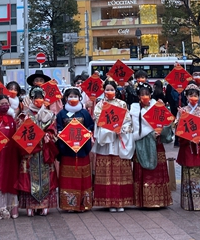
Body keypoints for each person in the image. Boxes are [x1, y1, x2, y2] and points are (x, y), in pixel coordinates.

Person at [92, 79, 135, 212]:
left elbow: (128, 120)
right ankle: (108, 201)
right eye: (107, 89)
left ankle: (121, 201)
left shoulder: (122, 104)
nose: (109, 92)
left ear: (115, 91)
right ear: (104, 90)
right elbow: (99, 120)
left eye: (112, 89)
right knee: (106, 171)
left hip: (118, 138)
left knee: (121, 170)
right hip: (106, 140)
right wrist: (110, 129)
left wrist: (121, 129)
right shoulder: (100, 105)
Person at [16, 87, 59, 216]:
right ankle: (30, 205)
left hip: (44, 150)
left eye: (41, 98)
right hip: (30, 152)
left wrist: (49, 136)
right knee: (29, 177)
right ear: (31, 99)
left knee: (45, 176)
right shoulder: (24, 115)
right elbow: (19, 132)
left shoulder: (49, 114)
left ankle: (44, 204)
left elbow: (53, 130)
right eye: (36, 98)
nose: (38, 101)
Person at [130, 82, 173, 209]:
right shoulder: (134, 109)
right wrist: (149, 131)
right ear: (138, 96)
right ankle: (143, 200)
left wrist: (161, 131)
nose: (145, 97)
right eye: (142, 94)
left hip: (157, 142)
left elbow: (167, 122)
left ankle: (160, 200)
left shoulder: (157, 106)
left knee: (157, 170)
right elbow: (135, 128)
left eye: (147, 94)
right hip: (142, 142)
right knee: (143, 171)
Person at [175, 83, 200, 211]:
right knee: (189, 173)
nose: (193, 97)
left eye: (195, 95)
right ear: (186, 97)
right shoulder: (183, 111)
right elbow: (176, 129)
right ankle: (190, 203)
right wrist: (180, 120)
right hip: (188, 146)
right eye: (190, 95)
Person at [55, 87, 94, 212]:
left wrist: (87, 133)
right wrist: (61, 134)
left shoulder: (84, 113)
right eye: (70, 96)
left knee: (83, 176)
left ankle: (83, 204)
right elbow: (58, 127)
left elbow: (90, 126)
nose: (73, 99)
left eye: (75, 96)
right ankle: (69, 204)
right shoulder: (61, 113)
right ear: (66, 98)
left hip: (82, 150)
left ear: (79, 98)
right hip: (67, 150)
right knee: (68, 178)